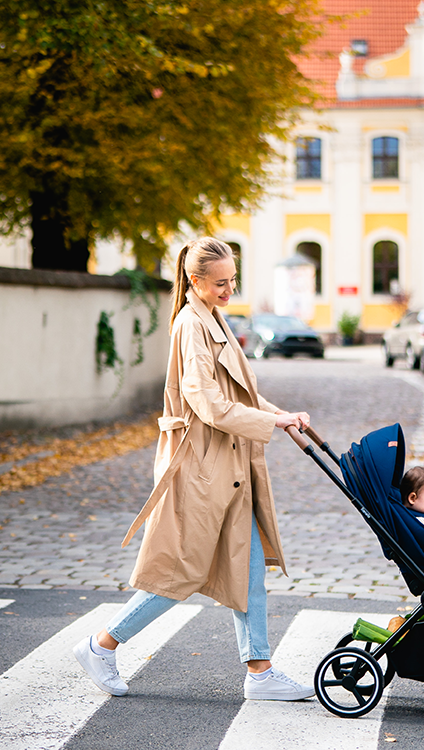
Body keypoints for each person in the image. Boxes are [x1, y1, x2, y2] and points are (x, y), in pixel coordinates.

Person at [73, 237, 315, 701]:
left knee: (248, 571)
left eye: (233, 281)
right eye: (221, 282)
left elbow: (238, 396)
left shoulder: (211, 317)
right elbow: (208, 404)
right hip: (202, 469)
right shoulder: (191, 324)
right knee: (181, 572)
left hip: (226, 466)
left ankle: (260, 673)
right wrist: (272, 421)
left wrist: (281, 415)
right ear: (195, 280)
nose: (230, 289)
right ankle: (101, 645)